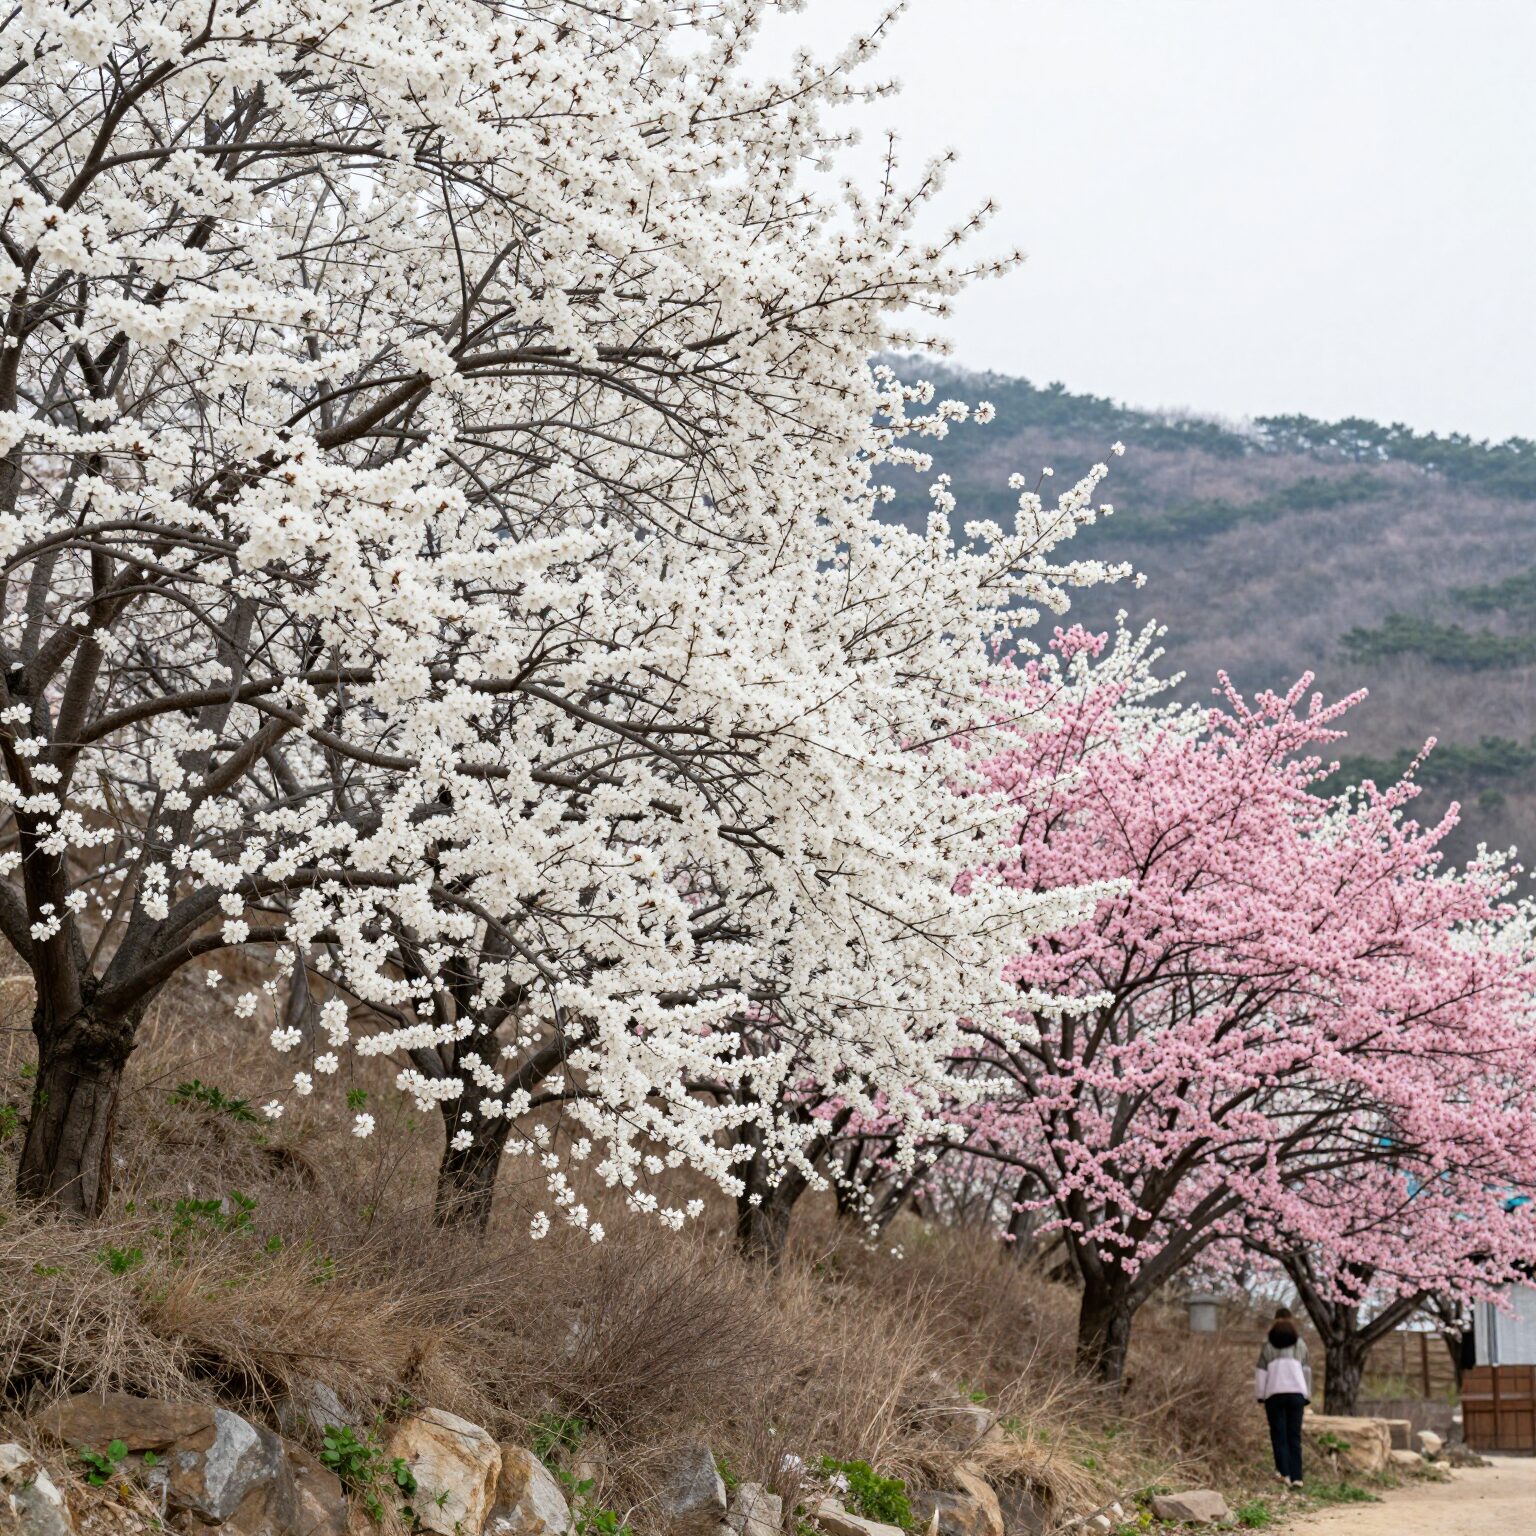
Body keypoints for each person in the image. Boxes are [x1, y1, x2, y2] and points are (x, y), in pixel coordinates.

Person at [1255, 1306, 1312, 1488]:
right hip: (1296, 1394)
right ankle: (1297, 1477)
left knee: (1278, 1434)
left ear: (1275, 1321)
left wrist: (1260, 1395)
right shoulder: (1300, 1344)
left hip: (1274, 1394)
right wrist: (1307, 1393)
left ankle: (1284, 1473)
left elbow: (1261, 1371)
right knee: (1294, 1435)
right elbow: (1306, 1370)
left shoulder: (1268, 1345)